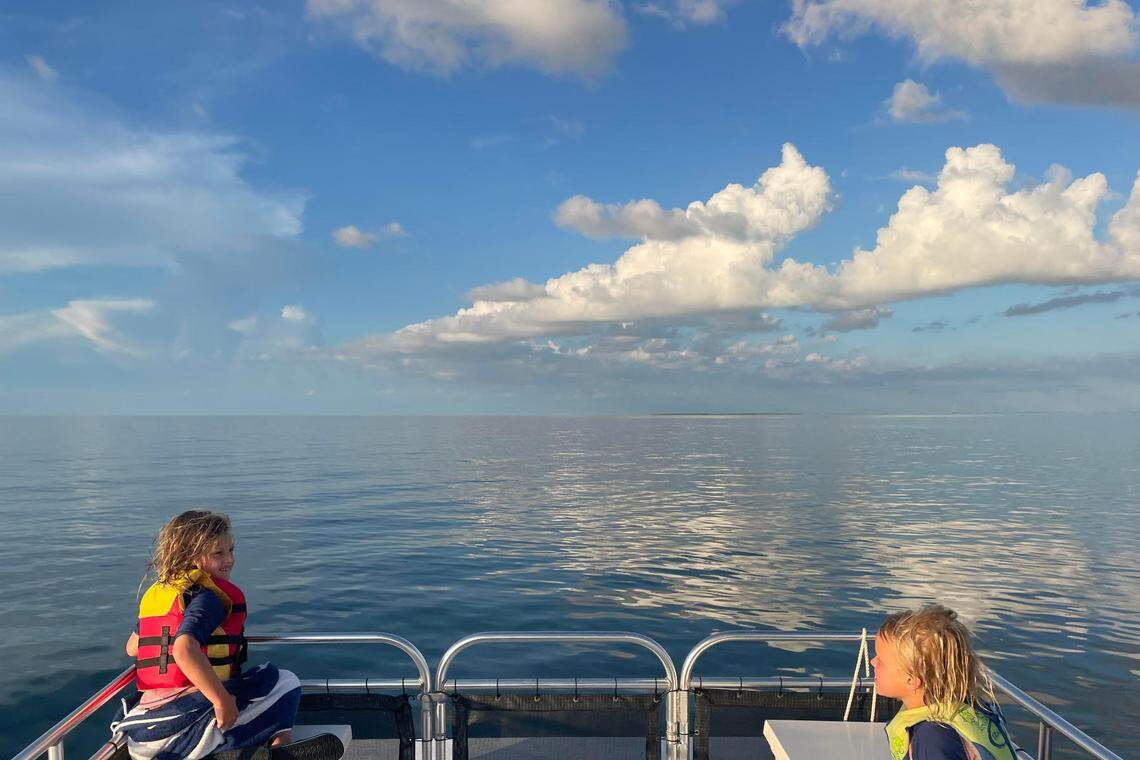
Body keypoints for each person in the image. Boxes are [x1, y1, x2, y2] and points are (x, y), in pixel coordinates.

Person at [111, 510, 303, 760]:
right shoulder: (208, 598)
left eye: (231, 550)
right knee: (285, 682)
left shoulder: (159, 596)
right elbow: (183, 649)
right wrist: (221, 700)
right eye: (218, 553)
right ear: (190, 556)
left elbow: (133, 648)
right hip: (180, 731)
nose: (230, 559)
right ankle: (279, 748)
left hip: (142, 734)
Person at [871, 605, 1018, 760]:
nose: (872, 662)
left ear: (912, 680)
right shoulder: (968, 707)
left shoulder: (933, 737)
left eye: (881, 661)